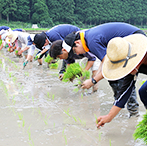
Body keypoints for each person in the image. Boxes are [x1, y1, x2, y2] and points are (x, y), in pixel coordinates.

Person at [54, 22, 146, 117]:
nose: (77, 54)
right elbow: (104, 62)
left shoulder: (91, 41)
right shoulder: (88, 38)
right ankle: (119, 107)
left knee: (124, 76)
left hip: (135, 40)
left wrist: (93, 81)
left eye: (74, 51)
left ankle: (133, 112)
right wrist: (94, 79)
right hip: (132, 38)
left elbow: (109, 66)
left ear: (77, 43)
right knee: (114, 78)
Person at [96, 33, 147, 128]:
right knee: (143, 92)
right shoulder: (133, 67)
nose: (128, 68)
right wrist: (109, 117)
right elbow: (124, 92)